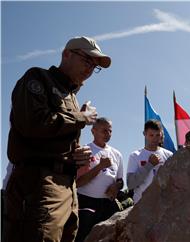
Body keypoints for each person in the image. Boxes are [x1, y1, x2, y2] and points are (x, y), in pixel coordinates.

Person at [4, 36, 111, 242]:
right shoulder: (37, 78)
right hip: (40, 183)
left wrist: (76, 154)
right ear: (66, 54)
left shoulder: (71, 96)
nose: (90, 69)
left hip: (68, 189)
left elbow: (56, 139)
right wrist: (81, 117)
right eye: (87, 60)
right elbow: (32, 124)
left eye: (95, 66)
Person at [75, 117, 123, 242]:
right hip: (86, 203)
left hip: (108, 204)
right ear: (93, 131)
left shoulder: (117, 154)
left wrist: (116, 187)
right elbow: (77, 182)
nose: (108, 134)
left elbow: (120, 181)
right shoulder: (85, 150)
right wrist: (99, 167)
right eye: (104, 131)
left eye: (110, 131)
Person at [127, 120, 173, 204]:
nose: (155, 138)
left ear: (161, 134)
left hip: (164, 204)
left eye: (157, 135)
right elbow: (131, 184)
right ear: (144, 134)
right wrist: (149, 165)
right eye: (151, 135)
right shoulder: (135, 155)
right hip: (141, 204)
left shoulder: (169, 155)